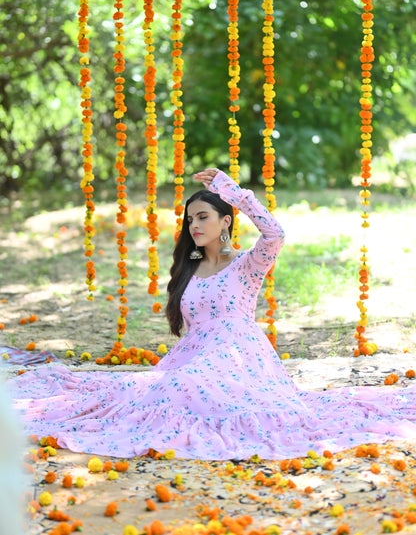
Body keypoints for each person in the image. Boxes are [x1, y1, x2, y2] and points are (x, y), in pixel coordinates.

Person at [8, 169, 416, 459]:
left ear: (225, 222)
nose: (195, 225)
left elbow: (276, 234)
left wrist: (235, 191)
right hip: (195, 356)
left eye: (203, 217)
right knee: (151, 394)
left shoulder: (247, 264)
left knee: (196, 393)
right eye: (190, 219)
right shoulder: (190, 267)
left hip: (240, 358)